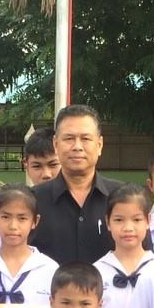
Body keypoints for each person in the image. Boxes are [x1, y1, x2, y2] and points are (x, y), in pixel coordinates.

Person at [28, 104, 119, 265]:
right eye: (69, 138)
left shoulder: (122, 197)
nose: (77, 147)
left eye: (85, 139)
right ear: (56, 144)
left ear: (99, 145)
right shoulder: (32, 200)